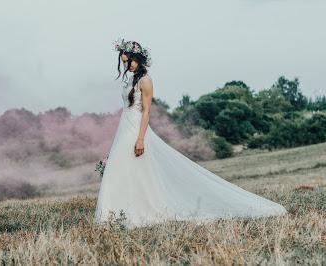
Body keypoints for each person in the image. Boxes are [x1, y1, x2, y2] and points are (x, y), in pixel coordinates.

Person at [94, 38, 288, 229]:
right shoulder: (130, 79)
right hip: (124, 126)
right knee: (122, 169)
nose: (127, 65)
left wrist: (140, 139)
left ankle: (132, 211)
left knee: (129, 167)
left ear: (139, 58)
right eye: (124, 62)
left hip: (136, 129)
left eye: (129, 61)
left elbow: (146, 111)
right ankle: (117, 213)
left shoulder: (145, 81)